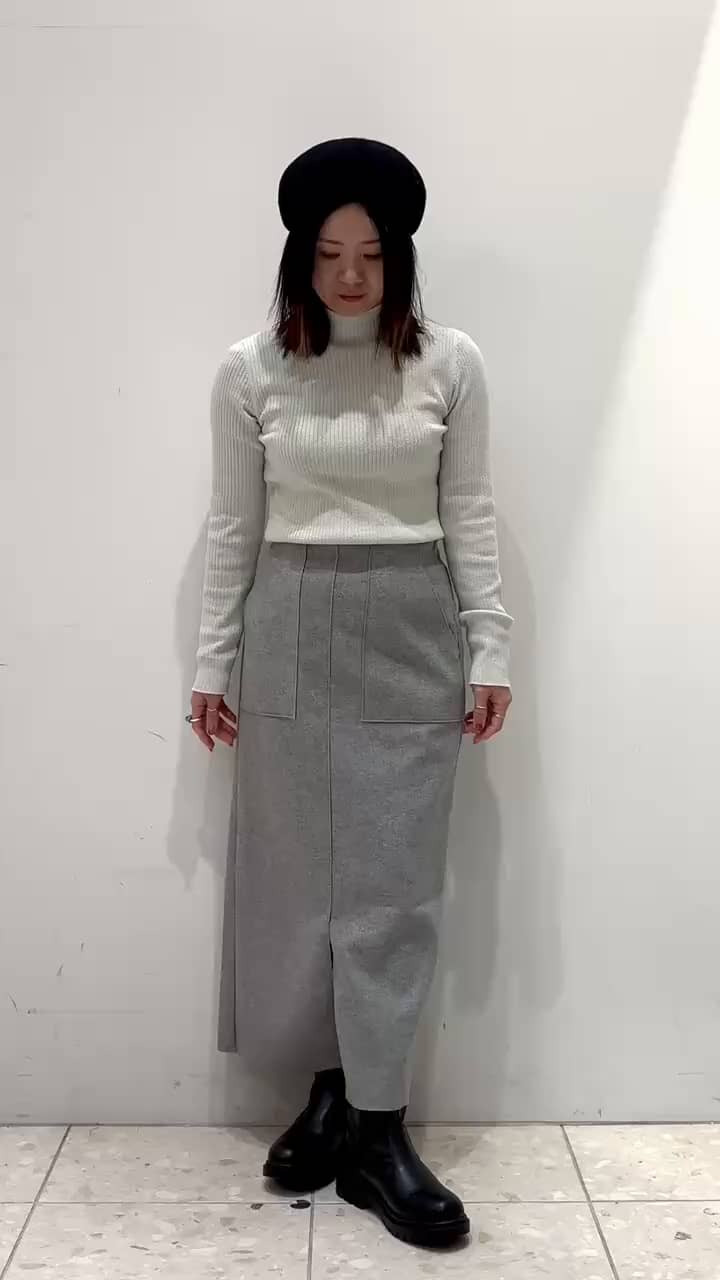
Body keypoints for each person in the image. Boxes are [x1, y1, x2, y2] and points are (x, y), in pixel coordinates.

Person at [187, 137, 514, 1249]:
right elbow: (235, 527)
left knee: (391, 886)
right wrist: (212, 662)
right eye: (329, 255)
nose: (351, 276)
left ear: (400, 259)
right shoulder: (251, 372)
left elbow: (469, 511)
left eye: (371, 255)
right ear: (299, 259)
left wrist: (491, 646)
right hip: (287, 619)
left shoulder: (450, 364)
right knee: (297, 881)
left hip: (411, 624)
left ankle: (379, 1130)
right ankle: (330, 1093)